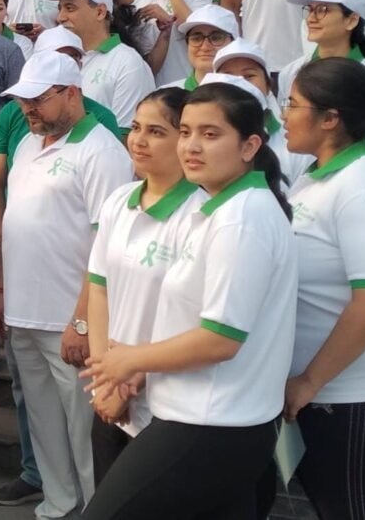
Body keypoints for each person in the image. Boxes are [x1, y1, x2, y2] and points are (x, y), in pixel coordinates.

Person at [81, 80, 297, 519]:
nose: (192, 146)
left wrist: (129, 360)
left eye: (210, 134)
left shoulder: (240, 220)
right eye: (186, 132)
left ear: (250, 145)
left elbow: (221, 339)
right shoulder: (223, 211)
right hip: (205, 414)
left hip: (211, 420)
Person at [0, 27, 122, 510]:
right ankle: (58, 505)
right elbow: (16, 226)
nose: (28, 109)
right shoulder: (27, 146)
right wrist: (2, 292)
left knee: (85, 430)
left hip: (69, 319)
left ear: (72, 93)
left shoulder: (101, 150)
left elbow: (106, 243)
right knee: (43, 423)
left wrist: (82, 320)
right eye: (24, 100)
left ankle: (95, 508)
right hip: (23, 313)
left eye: (39, 99)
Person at [282, 58, 365, 520]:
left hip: (357, 394)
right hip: (325, 392)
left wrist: (309, 381)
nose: (283, 114)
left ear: (330, 118)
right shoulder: (319, 175)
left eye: (293, 104)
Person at [86, 87, 205, 485]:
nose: (138, 140)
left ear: (184, 139)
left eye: (156, 132)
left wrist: (135, 376)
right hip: (111, 394)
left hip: (167, 401)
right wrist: (106, 380)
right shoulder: (119, 201)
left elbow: (195, 319)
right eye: (136, 128)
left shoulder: (201, 214)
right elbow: (99, 289)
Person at [47, 0, 154, 125]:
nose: (60, 17)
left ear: (100, 12)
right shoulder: (57, 56)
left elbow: (126, 133)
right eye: (60, 8)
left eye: (70, 8)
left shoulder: (128, 63)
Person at [212, 40, 314, 186]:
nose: (239, 83)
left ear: (268, 85)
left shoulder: (296, 141)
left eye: (249, 76)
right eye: (228, 76)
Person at [281, 0, 365, 99]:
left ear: (352, 20)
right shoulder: (290, 73)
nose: (310, 19)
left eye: (322, 10)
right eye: (310, 9)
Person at [166, 5, 239, 91]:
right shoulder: (166, 95)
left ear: (234, 43)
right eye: (196, 39)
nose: (205, 47)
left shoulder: (248, 93)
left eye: (216, 38)